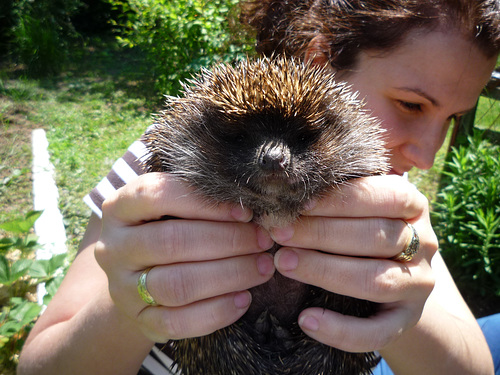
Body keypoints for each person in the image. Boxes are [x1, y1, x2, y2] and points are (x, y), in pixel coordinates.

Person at [17, 0, 500, 374]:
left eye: (455, 118)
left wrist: (406, 301)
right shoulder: (163, 164)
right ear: (319, 60)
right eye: (411, 104)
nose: (427, 153)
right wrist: (131, 301)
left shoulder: (386, 189)